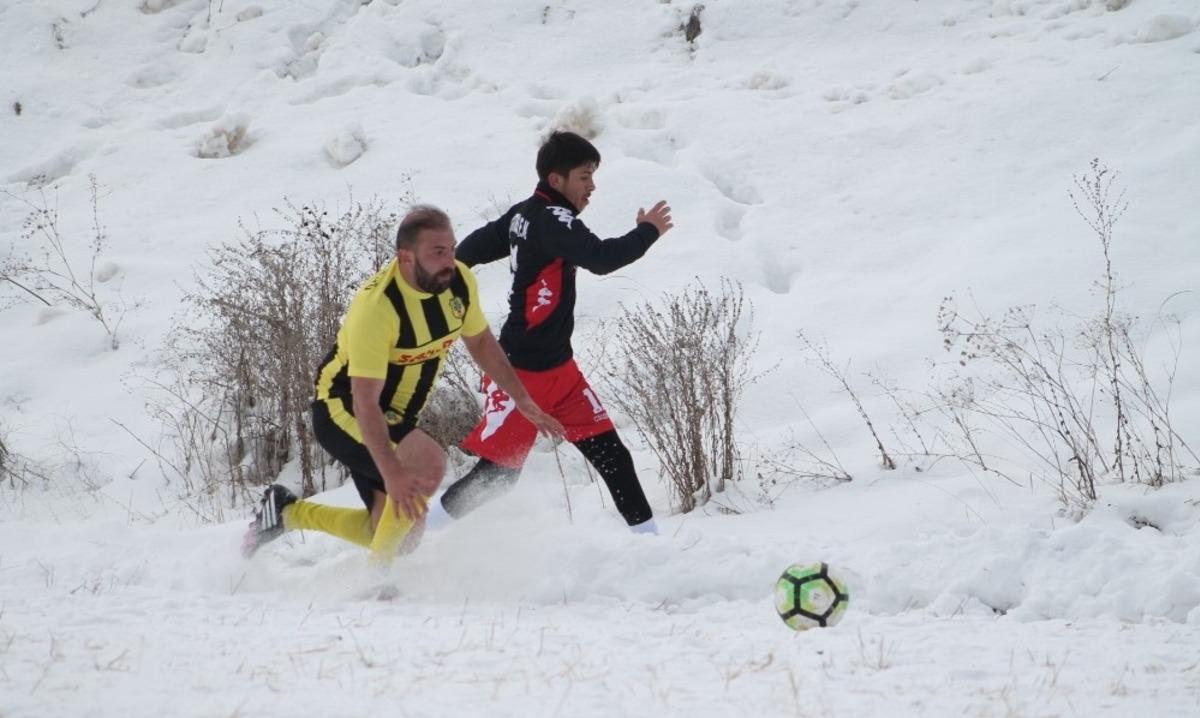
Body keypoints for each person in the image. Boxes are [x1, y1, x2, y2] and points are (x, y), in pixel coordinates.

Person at [241, 205, 564, 562]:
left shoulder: (458, 284)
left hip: (396, 417)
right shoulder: (377, 307)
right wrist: (394, 473)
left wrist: (523, 400)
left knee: (401, 535)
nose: (449, 261)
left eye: (452, 249)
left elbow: (482, 343)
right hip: (344, 408)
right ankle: (377, 582)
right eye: (438, 252)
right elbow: (365, 402)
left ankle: (287, 513)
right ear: (406, 257)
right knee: (429, 465)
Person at [425, 130, 673, 534]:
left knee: (612, 455)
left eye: (593, 176)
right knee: (498, 478)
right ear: (556, 180)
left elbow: (472, 248)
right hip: (522, 374)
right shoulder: (553, 219)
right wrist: (648, 231)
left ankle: (650, 545)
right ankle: (417, 534)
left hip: (562, 372)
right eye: (584, 177)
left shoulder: (525, 213)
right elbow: (601, 259)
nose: (591, 187)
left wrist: (444, 273)